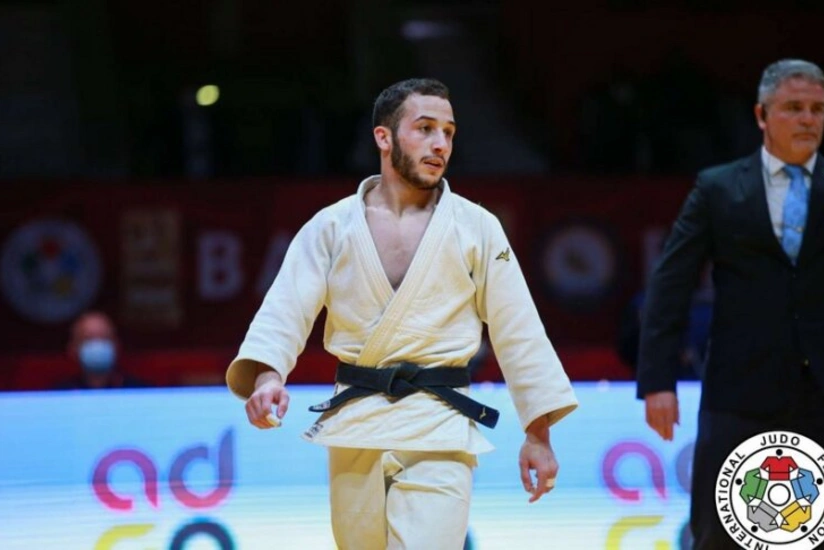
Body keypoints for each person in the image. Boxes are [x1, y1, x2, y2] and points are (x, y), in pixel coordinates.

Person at [226, 78, 578, 549]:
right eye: (425, 128)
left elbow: (519, 331)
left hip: (438, 424)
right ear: (384, 137)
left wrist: (538, 433)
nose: (440, 144)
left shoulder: (478, 228)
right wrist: (268, 378)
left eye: (448, 132)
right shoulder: (331, 226)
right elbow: (286, 309)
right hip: (355, 423)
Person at [636, 58, 824, 549]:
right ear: (762, 115)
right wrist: (658, 380)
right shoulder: (718, 187)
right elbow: (671, 284)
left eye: (817, 109)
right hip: (739, 391)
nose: (808, 119)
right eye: (794, 107)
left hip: (820, 390)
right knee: (723, 533)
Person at [58, 310, 146, 390]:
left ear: (117, 345)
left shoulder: (141, 392)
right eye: (88, 339)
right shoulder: (60, 395)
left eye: (105, 338)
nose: (98, 345)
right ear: (73, 349)